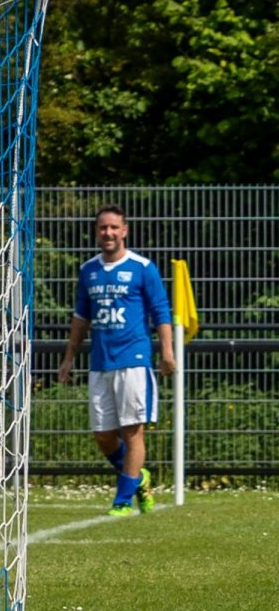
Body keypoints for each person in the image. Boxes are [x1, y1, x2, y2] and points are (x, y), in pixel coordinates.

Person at [57, 205, 173, 517]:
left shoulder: (142, 267)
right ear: (97, 232)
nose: (108, 233)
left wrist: (167, 352)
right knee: (103, 435)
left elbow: (161, 311)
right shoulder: (88, 270)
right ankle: (138, 478)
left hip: (133, 359)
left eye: (113, 227)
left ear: (124, 231)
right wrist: (69, 358)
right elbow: (81, 317)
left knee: (132, 431)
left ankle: (122, 501)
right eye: (102, 228)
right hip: (100, 362)